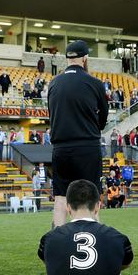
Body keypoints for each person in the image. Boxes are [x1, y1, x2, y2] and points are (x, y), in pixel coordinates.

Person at [47, 40, 108, 227]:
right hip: (87, 146)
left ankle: (57, 242)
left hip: (61, 148)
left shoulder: (53, 83)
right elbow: (103, 119)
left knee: (60, 198)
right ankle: (96, 243)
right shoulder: (95, 83)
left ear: (67, 59)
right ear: (85, 58)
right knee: (92, 196)